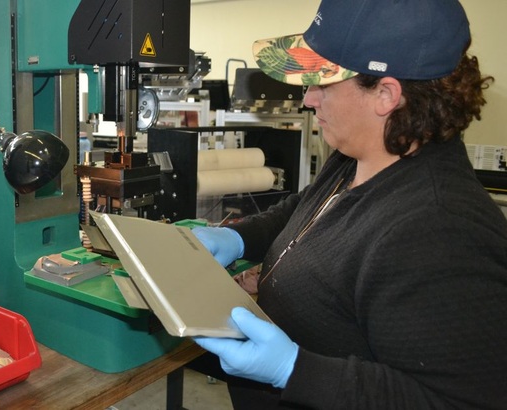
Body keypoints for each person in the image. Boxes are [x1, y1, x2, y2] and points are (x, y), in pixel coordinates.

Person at [191, 0, 507, 408]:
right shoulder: (358, 157)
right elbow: (309, 210)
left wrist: (294, 370)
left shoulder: (439, 230)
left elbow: (457, 401)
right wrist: (235, 239)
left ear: (386, 95)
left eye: (322, 83)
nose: (307, 99)